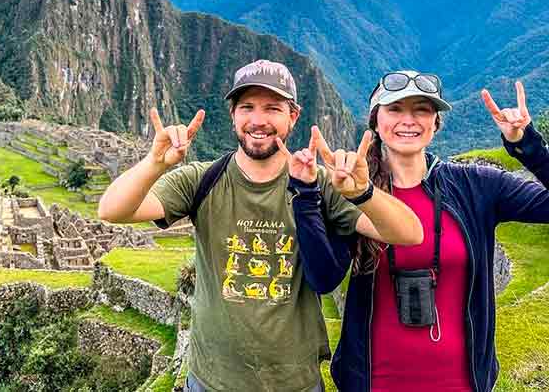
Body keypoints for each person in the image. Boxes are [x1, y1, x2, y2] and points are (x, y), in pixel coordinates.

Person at [98, 60, 423, 392]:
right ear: (233, 114)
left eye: (272, 108)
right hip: (212, 381)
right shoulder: (202, 179)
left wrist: (362, 192)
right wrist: (154, 163)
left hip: (295, 383)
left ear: (292, 116)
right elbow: (112, 210)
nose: (258, 121)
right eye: (247, 108)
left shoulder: (322, 184)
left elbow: (409, 233)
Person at [295, 71, 549, 392]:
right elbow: (323, 278)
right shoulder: (354, 191)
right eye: (395, 109)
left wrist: (527, 145)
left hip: (461, 383)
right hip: (373, 383)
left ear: (436, 122)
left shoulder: (476, 187)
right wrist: (306, 194)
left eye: (421, 109)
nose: (409, 120)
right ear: (375, 121)